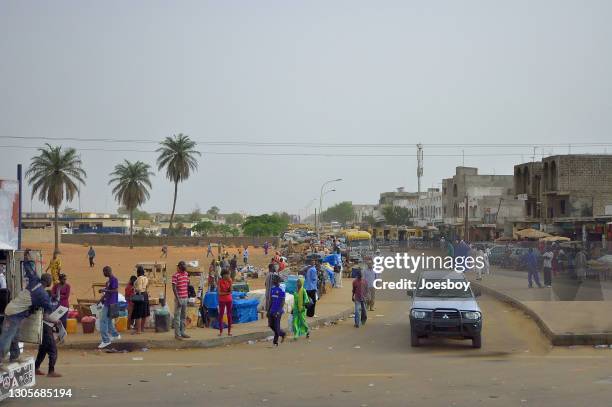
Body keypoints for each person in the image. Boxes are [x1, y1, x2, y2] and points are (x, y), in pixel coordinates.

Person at [0, 267, 54, 365]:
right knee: (7, 338)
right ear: (49, 282)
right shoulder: (43, 295)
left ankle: (14, 357)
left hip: (13, 310)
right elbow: (46, 317)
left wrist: (26, 257)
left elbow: (28, 268)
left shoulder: (34, 280)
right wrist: (56, 321)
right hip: (14, 314)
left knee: (15, 336)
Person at [35, 306, 62, 378]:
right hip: (46, 328)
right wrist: (55, 321)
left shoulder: (42, 300)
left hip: (43, 327)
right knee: (53, 351)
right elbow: (45, 317)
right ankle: (51, 371)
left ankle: (35, 368)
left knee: (42, 350)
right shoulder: (46, 300)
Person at [98, 266, 121, 349]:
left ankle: (106, 340)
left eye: (104, 272)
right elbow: (108, 293)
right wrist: (101, 299)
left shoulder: (114, 279)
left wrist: (104, 290)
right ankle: (115, 335)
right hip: (109, 302)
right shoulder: (109, 281)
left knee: (103, 321)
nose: (103, 273)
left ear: (108, 271)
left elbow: (115, 290)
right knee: (109, 321)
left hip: (110, 303)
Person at [172, 261, 191, 340]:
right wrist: (178, 299)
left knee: (183, 316)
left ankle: (182, 332)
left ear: (180, 268)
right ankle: (177, 334)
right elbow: (174, 288)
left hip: (184, 298)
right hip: (179, 299)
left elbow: (187, 284)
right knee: (177, 317)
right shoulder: (175, 275)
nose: (177, 268)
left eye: (178, 267)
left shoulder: (186, 274)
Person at [267, 275, 286, 346]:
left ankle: (275, 342)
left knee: (276, 326)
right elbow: (271, 301)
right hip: (272, 310)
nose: (274, 282)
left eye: (275, 280)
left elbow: (283, 301)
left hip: (278, 311)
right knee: (271, 325)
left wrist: (279, 311)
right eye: (273, 280)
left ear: (278, 281)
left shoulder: (282, 290)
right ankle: (282, 334)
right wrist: (268, 310)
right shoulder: (272, 289)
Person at [132, 266, 150, 334]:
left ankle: (138, 330)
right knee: (144, 313)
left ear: (138, 272)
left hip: (140, 295)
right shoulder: (146, 278)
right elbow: (146, 287)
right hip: (145, 295)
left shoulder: (139, 279)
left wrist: (135, 289)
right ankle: (142, 329)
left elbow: (139, 289)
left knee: (138, 313)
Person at [217, 270, 233, 336]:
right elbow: (219, 293)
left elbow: (231, 291)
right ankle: (221, 331)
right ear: (223, 275)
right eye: (227, 274)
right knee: (221, 315)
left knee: (229, 315)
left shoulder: (230, 280)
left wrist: (224, 293)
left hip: (228, 299)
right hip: (223, 300)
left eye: (228, 274)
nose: (228, 276)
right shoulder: (220, 281)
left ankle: (229, 331)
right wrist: (227, 293)